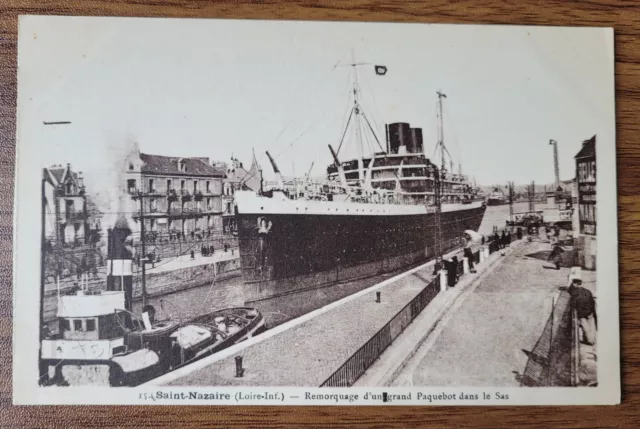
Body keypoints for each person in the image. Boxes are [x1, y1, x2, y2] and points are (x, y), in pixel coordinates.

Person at [567, 270, 597, 345]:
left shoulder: (575, 293)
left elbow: (573, 305)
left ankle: (590, 341)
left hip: (582, 314)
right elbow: (593, 302)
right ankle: (589, 339)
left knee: (586, 328)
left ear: (575, 284)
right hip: (590, 313)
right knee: (591, 327)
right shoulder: (588, 291)